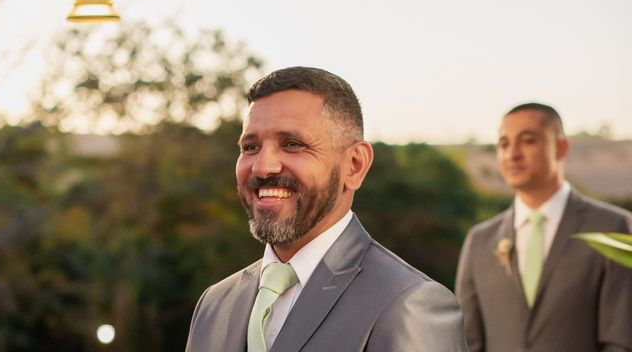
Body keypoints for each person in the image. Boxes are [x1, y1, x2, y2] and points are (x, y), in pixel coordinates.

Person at [185, 66, 468, 352]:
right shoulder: (214, 305)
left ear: (354, 165)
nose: (262, 166)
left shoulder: (409, 304)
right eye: (250, 147)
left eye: (292, 144)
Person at [455, 103, 632, 352]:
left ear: (561, 147)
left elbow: (621, 340)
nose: (512, 154)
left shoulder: (612, 226)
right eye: (504, 144)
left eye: (528, 141)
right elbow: (465, 343)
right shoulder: (479, 241)